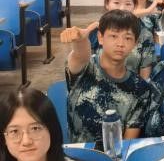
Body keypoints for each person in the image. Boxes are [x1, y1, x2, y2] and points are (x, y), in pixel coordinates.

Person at [61, 10, 155, 143]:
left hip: (116, 152)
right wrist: (81, 41)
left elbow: (129, 139)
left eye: (128, 38)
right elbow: (80, 55)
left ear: (135, 43)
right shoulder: (85, 67)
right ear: (100, 38)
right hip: (79, 152)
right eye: (114, 36)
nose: (120, 43)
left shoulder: (140, 88)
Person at [87, 0, 156, 80]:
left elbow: (144, 74)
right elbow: (85, 65)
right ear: (107, 4)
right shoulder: (96, 30)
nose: (122, 8)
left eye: (128, 4)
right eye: (116, 3)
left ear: (134, 6)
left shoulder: (145, 35)